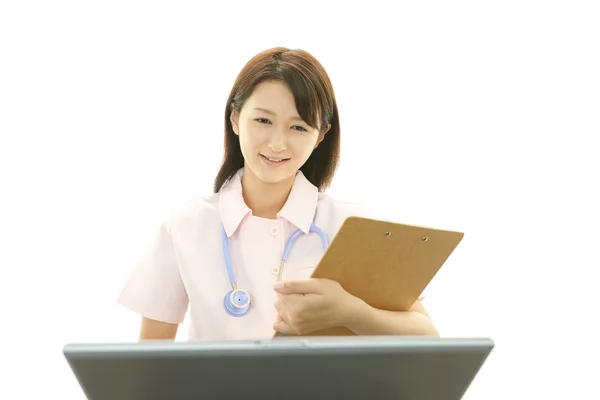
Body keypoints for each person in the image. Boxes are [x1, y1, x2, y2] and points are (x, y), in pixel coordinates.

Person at [117, 47, 439, 340]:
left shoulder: (351, 224)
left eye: (298, 127)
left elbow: (426, 336)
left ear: (320, 135)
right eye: (263, 120)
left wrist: (350, 312)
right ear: (235, 118)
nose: (277, 144)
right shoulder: (186, 225)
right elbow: (152, 358)